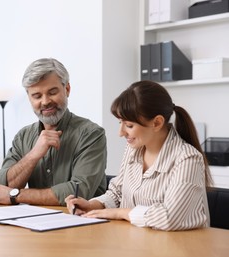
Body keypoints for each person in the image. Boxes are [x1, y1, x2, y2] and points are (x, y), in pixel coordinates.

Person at [65, 80, 213, 231]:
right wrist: (92, 205)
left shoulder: (188, 159)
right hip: (136, 243)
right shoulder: (133, 149)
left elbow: (170, 217)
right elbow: (117, 193)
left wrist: (120, 213)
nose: (121, 133)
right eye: (120, 123)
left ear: (157, 123)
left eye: (129, 126)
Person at [0, 58, 107, 206]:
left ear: (67, 89)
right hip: (35, 223)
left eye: (52, 92)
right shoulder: (23, 136)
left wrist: (17, 195)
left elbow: (78, 192)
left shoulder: (91, 134)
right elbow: (2, 185)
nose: (45, 101)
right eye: (37, 96)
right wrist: (33, 155)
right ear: (29, 98)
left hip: (82, 222)